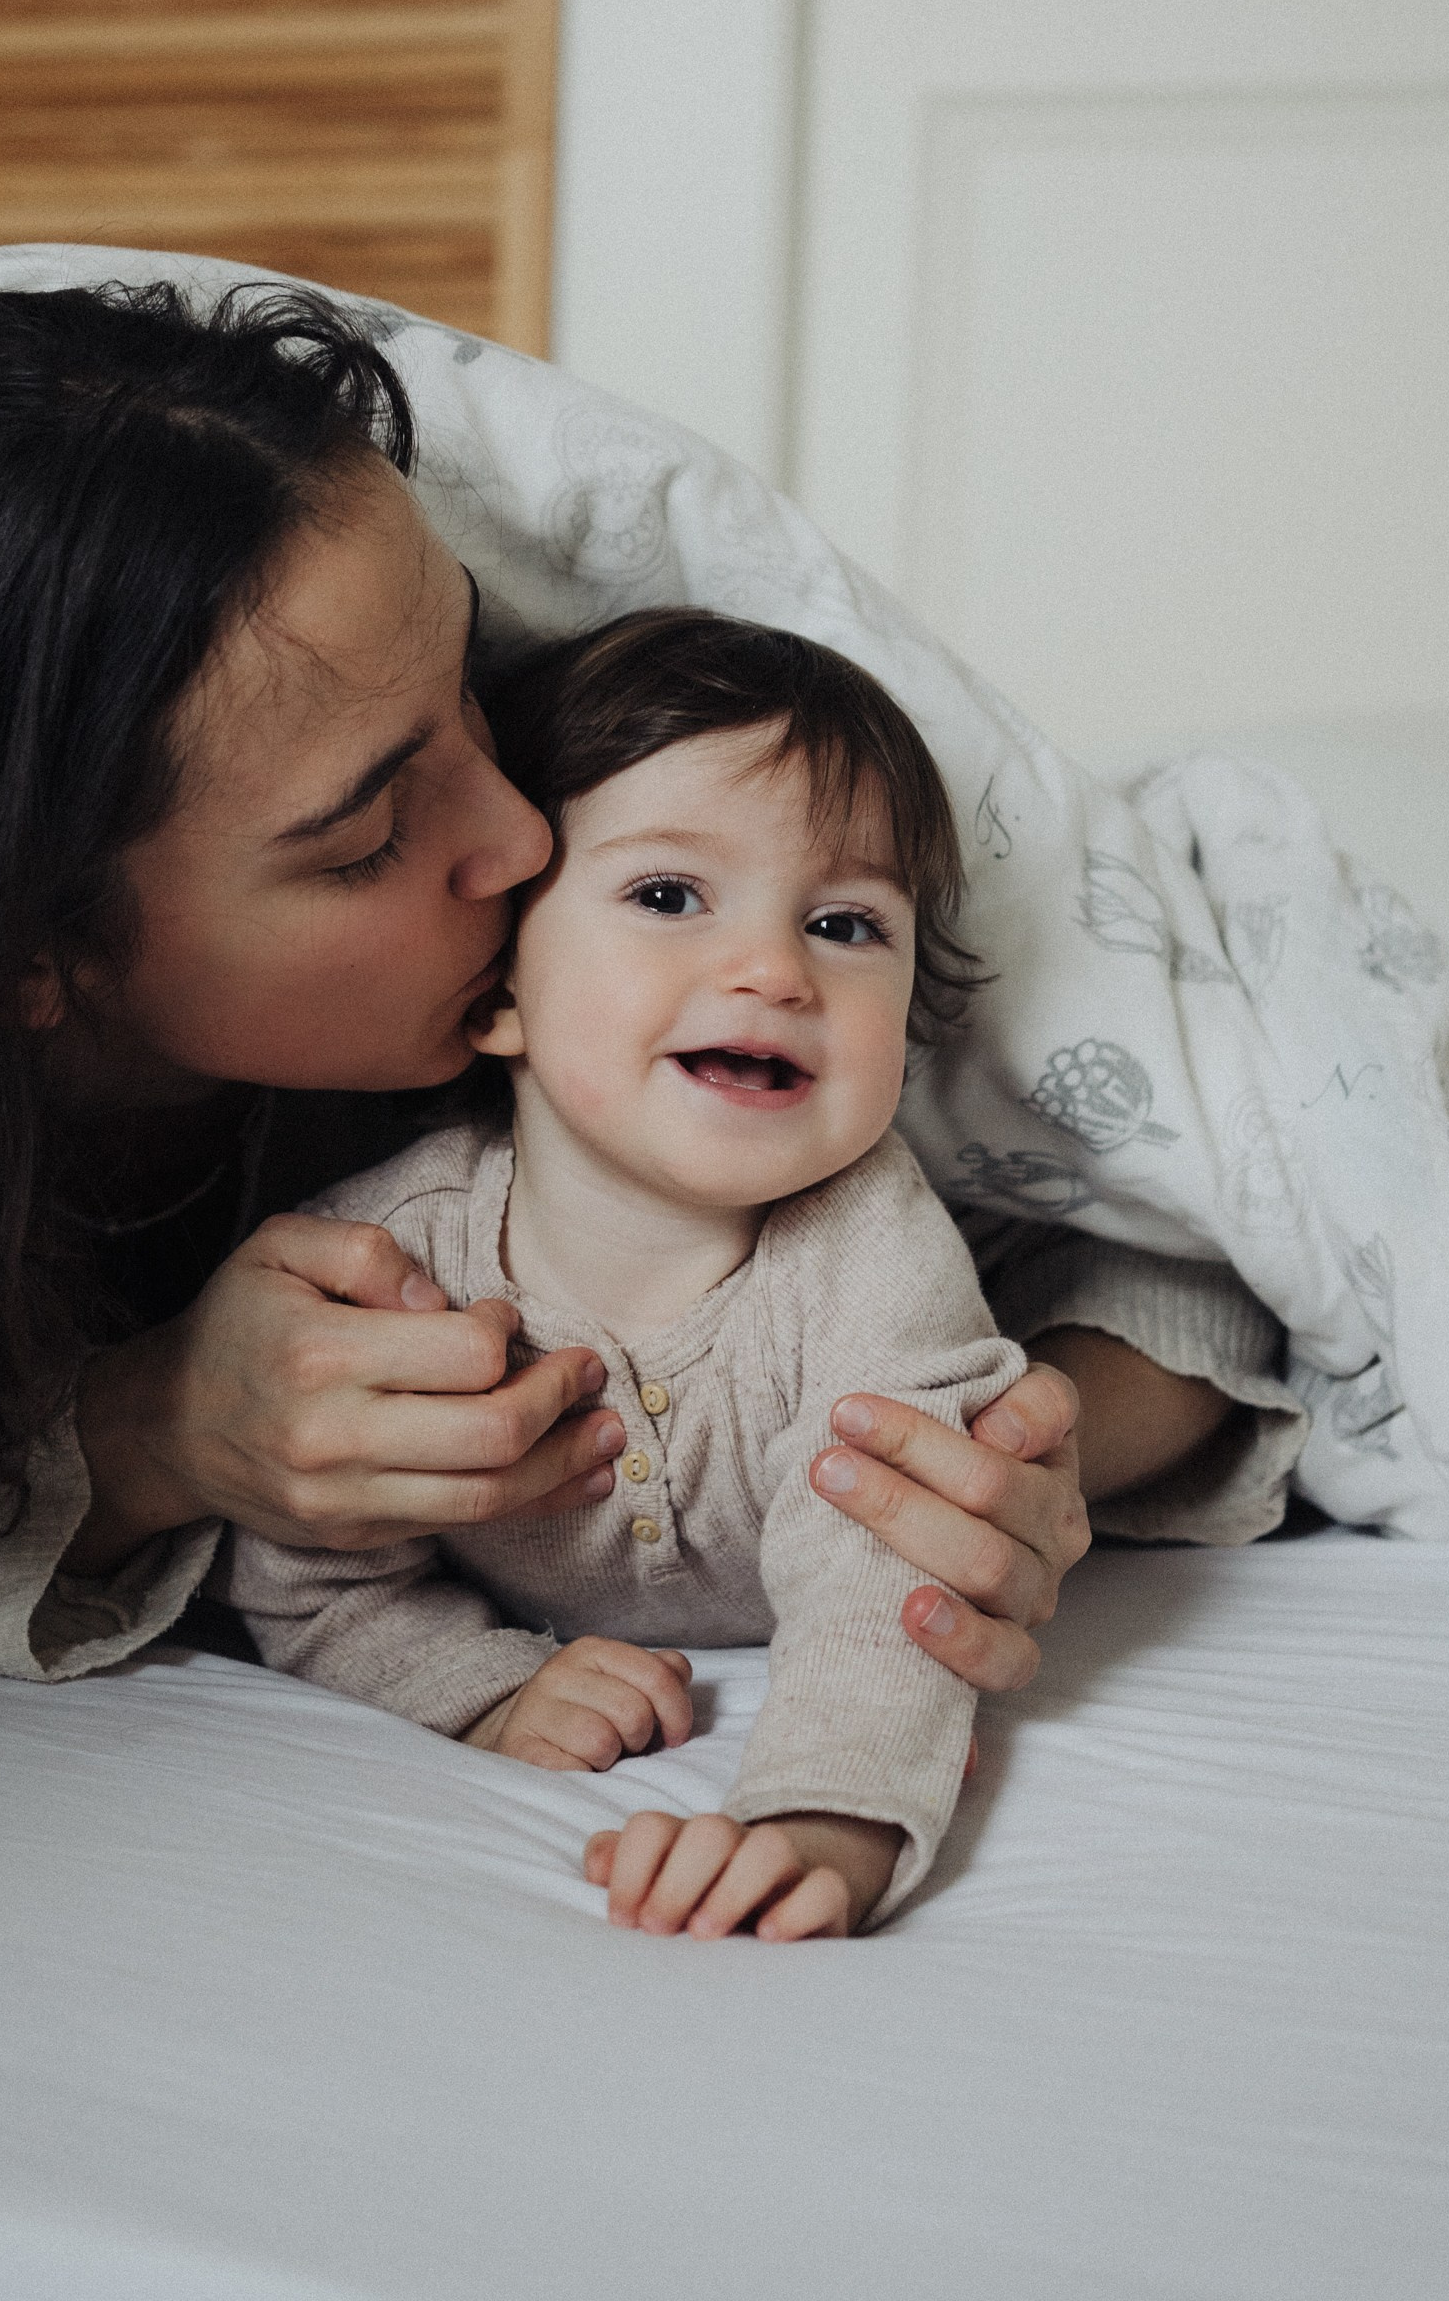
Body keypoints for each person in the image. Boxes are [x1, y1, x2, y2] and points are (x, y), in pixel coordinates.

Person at [0, 280, 1287, 1687]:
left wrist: (1028, 1452)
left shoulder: (625, 947)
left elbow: (1175, 1227)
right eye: (370, 834)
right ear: (22, 955)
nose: (524, 832)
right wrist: (157, 1433)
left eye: (473, 683)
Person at [228, 611, 1032, 1938]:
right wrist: (473, 1685)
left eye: (845, 923)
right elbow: (305, 1566)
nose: (773, 969)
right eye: (668, 897)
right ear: (498, 990)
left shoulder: (874, 1250)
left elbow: (889, 1569)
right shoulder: (392, 1263)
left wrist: (822, 1822)